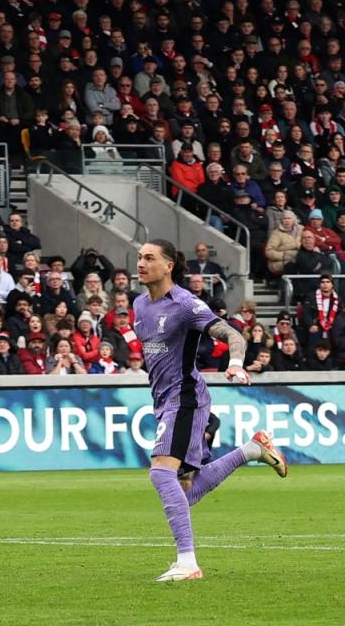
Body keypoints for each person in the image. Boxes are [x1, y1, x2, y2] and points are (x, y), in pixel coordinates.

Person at [133, 239, 287, 583]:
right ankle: (252, 449)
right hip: (163, 401)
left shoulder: (186, 305)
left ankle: (187, 562)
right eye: (140, 257)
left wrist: (235, 364)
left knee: (161, 473)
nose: (141, 263)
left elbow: (233, 335)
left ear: (169, 265)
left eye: (149, 258)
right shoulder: (139, 304)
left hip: (186, 398)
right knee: (183, 492)